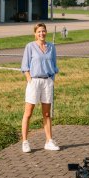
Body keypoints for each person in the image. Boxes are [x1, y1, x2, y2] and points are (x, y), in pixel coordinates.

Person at [20, 22, 60, 153]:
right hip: (34, 82)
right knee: (28, 112)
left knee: (47, 113)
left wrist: (52, 79)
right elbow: (25, 66)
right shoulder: (30, 47)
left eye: (43, 31)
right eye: (39, 32)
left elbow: (54, 64)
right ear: (35, 34)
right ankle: (25, 141)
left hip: (47, 82)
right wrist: (29, 79)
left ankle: (49, 141)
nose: (41, 33)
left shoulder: (51, 47)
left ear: (46, 32)